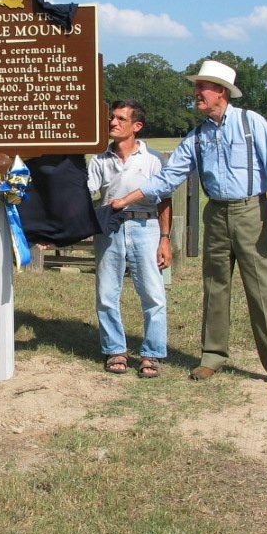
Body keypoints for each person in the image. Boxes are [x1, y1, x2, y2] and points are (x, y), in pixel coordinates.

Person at [110, 60, 267, 391]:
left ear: (221, 91)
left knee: (261, 289)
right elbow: (168, 178)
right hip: (216, 214)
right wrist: (128, 199)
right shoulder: (197, 136)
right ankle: (212, 357)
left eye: (202, 87)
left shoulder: (251, 123)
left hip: (252, 211)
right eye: (196, 87)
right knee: (215, 286)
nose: (196, 93)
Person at [87, 100, 173, 379]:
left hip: (146, 226)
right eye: (112, 118)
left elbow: (164, 200)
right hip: (110, 227)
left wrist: (165, 238)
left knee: (153, 294)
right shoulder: (99, 160)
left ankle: (152, 353)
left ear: (137, 126)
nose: (113, 123)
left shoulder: (153, 159)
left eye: (121, 119)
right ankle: (115, 350)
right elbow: (85, 193)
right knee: (107, 293)